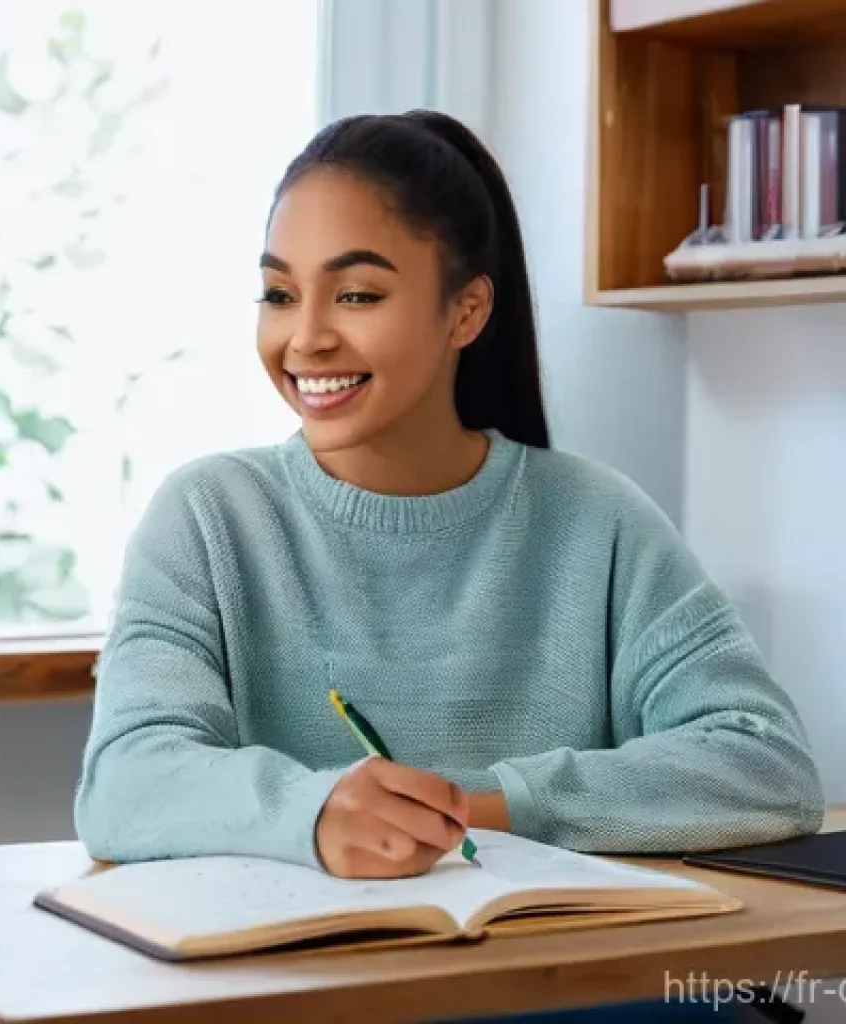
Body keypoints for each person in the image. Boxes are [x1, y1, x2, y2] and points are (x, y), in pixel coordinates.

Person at [73, 110, 823, 1022]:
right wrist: (314, 813)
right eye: (278, 295)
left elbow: (766, 764)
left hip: (580, 992)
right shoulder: (207, 517)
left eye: (355, 296)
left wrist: (489, 805)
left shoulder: (597, 520)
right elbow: (127, 778)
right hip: (321, 999)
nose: (305, 337)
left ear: (466, 309)